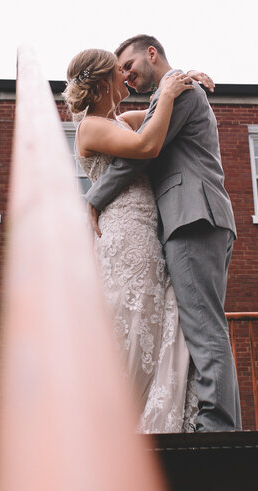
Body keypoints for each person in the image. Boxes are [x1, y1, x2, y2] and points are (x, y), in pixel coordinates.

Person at [85, 35, 241, 432]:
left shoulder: (181, 93)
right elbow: (138, 138)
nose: (128, 77)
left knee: (202, 325)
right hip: (184, 220)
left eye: (130, 66)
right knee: (189, 324)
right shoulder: (166, 96)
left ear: (151, 53)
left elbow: (141, 155)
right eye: (120, 73)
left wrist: (93, 198)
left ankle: (216, 427)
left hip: (193, 217)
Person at [64, 48, 197, 433]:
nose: (127, 76)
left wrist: (184, 80)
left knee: (153, 317)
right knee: (132, 317)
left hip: (145, 231)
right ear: (104, 81)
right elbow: (147, 146)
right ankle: (118, 426)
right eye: (119, 71)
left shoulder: (119, 120)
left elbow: (158, 118)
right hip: (124, 233)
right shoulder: (90, 127)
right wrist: (169, 94)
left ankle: (143, 419)